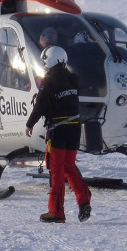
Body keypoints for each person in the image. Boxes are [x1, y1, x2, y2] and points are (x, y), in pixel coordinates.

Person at [25, 46, 92, 223]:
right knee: (69, 166)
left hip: (59, 131)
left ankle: (56, 212)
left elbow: (40, 105)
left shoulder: (49, 81)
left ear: (49, 61)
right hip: (75, 129)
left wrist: (29, 124)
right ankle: (84, 200)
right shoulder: (73, 79)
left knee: (56, 170)